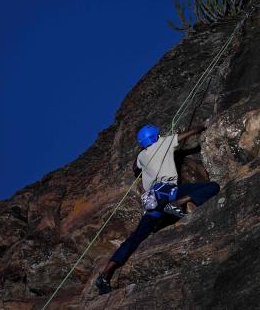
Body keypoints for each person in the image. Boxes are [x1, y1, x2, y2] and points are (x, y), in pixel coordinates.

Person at [94, 123, 220, 295]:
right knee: (212, 186)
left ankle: (105, 274)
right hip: (169, 191)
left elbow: (134, 168)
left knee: (134, 239)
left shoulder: (141, 156)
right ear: (155, 137)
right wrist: (201, 127)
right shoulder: (164, 143)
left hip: (152, 201)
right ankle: (178, 203)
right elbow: (186, 134)